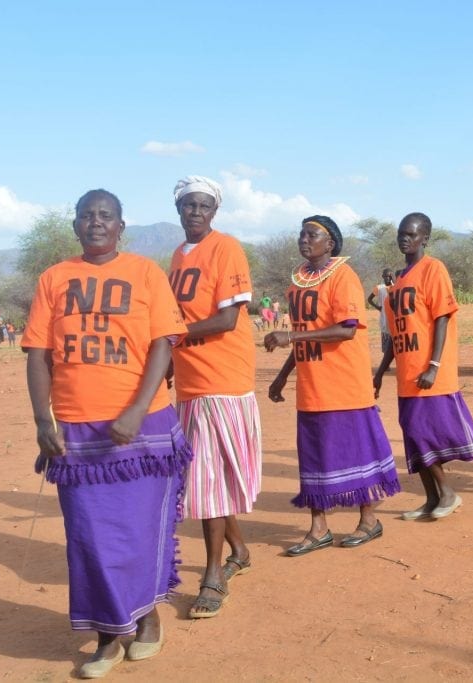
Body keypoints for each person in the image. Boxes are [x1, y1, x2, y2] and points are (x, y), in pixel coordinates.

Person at [22, 189, 190, 678]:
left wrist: (137, 409)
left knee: (139, 533)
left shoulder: (145, 274)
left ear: (121, 226)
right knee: (89, 538)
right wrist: (42, 421)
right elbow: (37, 354)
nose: (96, 222)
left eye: (106, 216)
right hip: (76, 428)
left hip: (142, 428)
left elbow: (163, 344)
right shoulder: (54, 278)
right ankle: (108, 636)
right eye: (86, 215)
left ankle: (149, 619)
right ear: (75, 225)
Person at [265, 215, 400, 553]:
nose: (304, 239)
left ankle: (369, 519)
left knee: (355, 452)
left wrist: (290, 335)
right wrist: (283, 375)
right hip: (312, 387)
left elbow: (347, 329)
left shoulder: (343, 276)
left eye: (313, 234)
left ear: (331, 242)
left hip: (344, 386)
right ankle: (318, 527)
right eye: (302, 233)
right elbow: (304, 337)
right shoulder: (297, 283)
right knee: (313, 456)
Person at [168, 176, 262, 620]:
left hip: (221, 379)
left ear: (215, 211)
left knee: (207, 480)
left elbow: (226, 320)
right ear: (179, 209)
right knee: (209, 476)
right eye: (189, 205)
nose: (196, 212)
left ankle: (212, 576)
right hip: (190, 380)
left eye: (204, 205)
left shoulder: (226, 249)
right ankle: (239, 550)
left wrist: (172, 335)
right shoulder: (178, 255)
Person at [373, 212, 473, 520]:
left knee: (424, 432)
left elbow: (442, 316)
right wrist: (378, 372)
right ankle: (431, 499)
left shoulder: (433, 269)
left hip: (428, 373)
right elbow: (395, 333)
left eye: (412, 234)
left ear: (425, 239)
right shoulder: (399, 280)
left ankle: (448, 493)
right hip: (405, 373)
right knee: (413, 436)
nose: (406, 238)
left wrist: (434, 364)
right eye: (402, 233)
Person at [367, 268, 395, 355]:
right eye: (386, 276)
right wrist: (377, 307)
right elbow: (369, 299)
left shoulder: (395, 287)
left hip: (394, 317)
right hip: (384, 317)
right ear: (382, 277)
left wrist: (393, 280)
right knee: (386, 339)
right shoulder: (379, 288)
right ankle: (387, 364)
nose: (387, 278)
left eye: (389, 276)